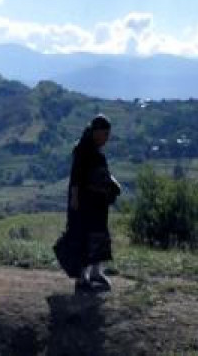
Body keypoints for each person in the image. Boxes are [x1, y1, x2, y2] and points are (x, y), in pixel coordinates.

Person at [65, 115, 120, 292]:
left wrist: (112, 184)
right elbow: (76, 176)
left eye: (108, 134)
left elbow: (102, 172)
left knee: (99, 236)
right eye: (104, 134)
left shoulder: (96, 151)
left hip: (98, 203)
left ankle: (97, 272)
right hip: (84, 202)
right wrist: (75, 198)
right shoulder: (82, 150)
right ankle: (83, 278)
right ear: (95, 132)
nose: (106, 138)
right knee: (84, 238)